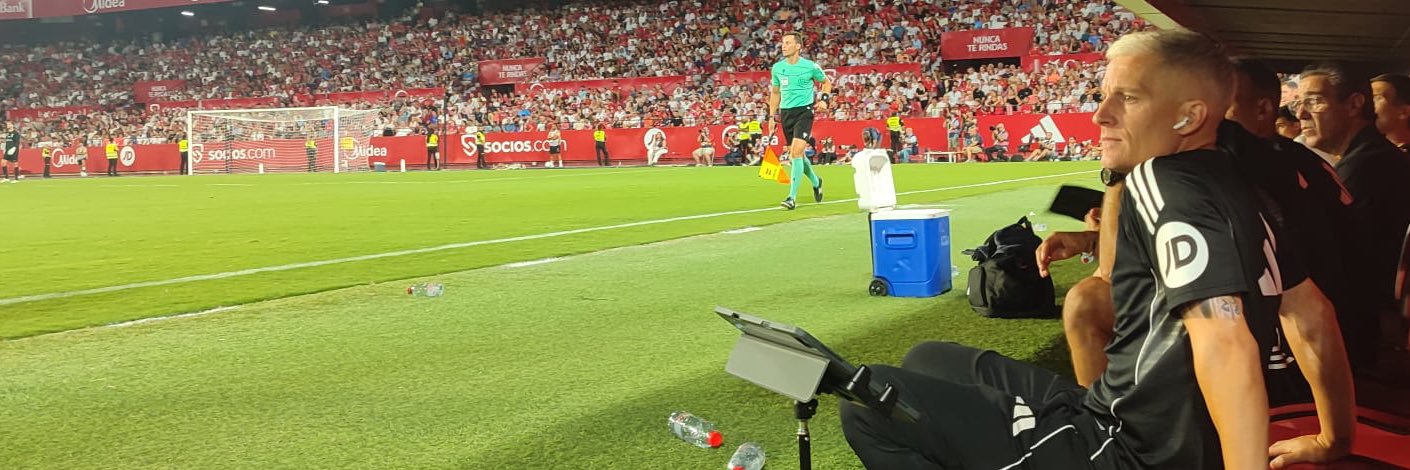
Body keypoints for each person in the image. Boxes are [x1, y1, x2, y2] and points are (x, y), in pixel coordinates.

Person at [841, 29, 1353, 470]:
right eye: (1105, 95)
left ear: (1187, 117)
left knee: (865, 404)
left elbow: (1225, 341)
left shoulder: (1160, 180)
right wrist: (1335, 439)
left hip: (1126, 448)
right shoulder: (1241, 184)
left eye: (1127, 98)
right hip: (1114, 407)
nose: (1099, 116)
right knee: (927, 358)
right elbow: (1311, 314)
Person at [765, 32, 831, 211]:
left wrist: (824, 99)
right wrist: (771, 117)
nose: (783, 46)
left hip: (805, 112)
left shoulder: (810, 66)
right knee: (798, 155)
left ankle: (791, 197)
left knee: (795, 153)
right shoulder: (777, 68)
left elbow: (826, 82)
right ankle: (817, 182)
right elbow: (776, 93)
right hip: (786, 114)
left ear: (798, 46)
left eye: (787, 43)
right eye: (782, 43)